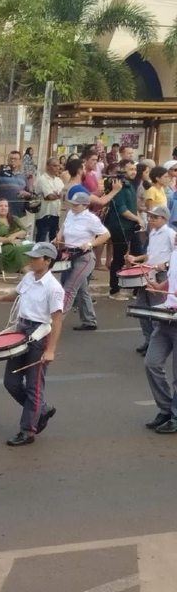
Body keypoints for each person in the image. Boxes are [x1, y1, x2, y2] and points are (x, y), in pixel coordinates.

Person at [0, 243, 63, 446]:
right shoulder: (29, 277)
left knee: (33, 386)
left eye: (36, 257)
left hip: (38, 335)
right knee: (10, 381)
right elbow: (16, 294)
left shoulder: (54, 288)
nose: (30, 259)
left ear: (47, 261)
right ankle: (41, 409)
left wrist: (50, 350)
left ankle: (28, 430)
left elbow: (56, 320)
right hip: (21, 330)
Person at [55, 192, 111, 331]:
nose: (73, 206)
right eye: (72, 204)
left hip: (84, 257)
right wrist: (58, 237)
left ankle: (55, 320)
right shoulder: (70, 214)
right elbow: (64, 227)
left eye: (76, 204)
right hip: (69, 254)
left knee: (69, 287)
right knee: (82, 290)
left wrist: (90, 244)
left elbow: (106, 235)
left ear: (85, 205)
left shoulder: (91, 218)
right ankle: (89, 319)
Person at [128, 206, 175, 355]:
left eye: (155, 217)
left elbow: (174, 256)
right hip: (148, 272)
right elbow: (149, 255)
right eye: (150, 217)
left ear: (164, 219)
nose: (151, 220)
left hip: (161, 275)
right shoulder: (153, 233)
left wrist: (165, 265)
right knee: (141, 307)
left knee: (156, 311)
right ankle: (148, 340)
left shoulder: (170, 233)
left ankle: (157, 343)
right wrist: (136, 259)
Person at [143, 245, 177, 434]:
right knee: (152, 363)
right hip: (167, 316)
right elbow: (172, 280)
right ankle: (166, 409)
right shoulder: (175, 253)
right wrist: (158, 287)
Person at [105, 159, 142, 300]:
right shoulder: (119, 186)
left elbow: (133, 206)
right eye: (130, 169)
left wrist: (138, 219)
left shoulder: (131, 185)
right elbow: (122, 210)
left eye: (134, 169)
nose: (133, 172)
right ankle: (114, 290)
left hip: (132, 226)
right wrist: (137, 218)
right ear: (122, 169)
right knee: (119, 258)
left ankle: (138, 289)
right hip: (120, 226)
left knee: (137, 254)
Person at [0, 150, 35, 233]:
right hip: (3, 215)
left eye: (16, 159)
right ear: (7, 160)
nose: (13, 160)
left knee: (18, 239)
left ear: (20, 161)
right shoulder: (0, 174)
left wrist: (27, 194)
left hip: (20, 215)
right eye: (11, 158)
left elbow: (30, 194)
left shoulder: (23, 177)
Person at [0, 199, 32, 274]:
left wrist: (14, 235)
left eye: (6, 206)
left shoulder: (14, 218)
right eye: (1, 206)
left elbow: (24, 231)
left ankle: (36, 274)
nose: (3, 208)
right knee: (19, 250)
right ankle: (29, 275)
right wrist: (9, 240)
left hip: (19, 242)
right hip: (4, 246)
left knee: (35, 246)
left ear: (8, 208)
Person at [35, 157, 64, 243]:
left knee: (54, 239)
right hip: (45, 214)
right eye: (54, 166)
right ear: (47, 166)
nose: (57, 168)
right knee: (42, 239)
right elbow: (49, 196)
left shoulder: (59, 180)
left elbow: (64, 195)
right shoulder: (42, 179)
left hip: (57, 213)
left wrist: (58, 195)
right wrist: (59, 195)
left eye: (58, 166)